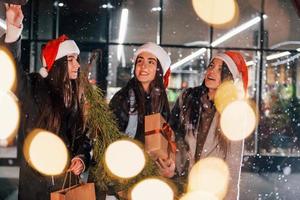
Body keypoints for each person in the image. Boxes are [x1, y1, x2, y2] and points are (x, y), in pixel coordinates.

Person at [3, 5, 91, 200]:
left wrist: (81, 158)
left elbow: (83, 138)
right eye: (70, 59)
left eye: (76, 59)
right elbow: (12, 71)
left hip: (67, 186)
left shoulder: (77, 98)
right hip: (36, 187)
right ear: (57, 64)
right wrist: (13, 30)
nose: (77, 64)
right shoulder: (34, 87)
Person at [169, 51, 248, 200]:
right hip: (181, 182)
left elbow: (233, 164)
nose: (212, 71)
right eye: (211, 66)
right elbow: (173, 134)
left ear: (229, 78)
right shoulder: (188, 98)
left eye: (220, 69)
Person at [107, 42, 175, 197]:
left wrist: (169, 164)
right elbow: (108, 140)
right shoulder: (122, 98)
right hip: (125, 181)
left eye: (150, 62)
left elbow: (168, 138)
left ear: (159, 70)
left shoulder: (161, 101)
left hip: (150, 180)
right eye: (140, 61)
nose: (143, 66)